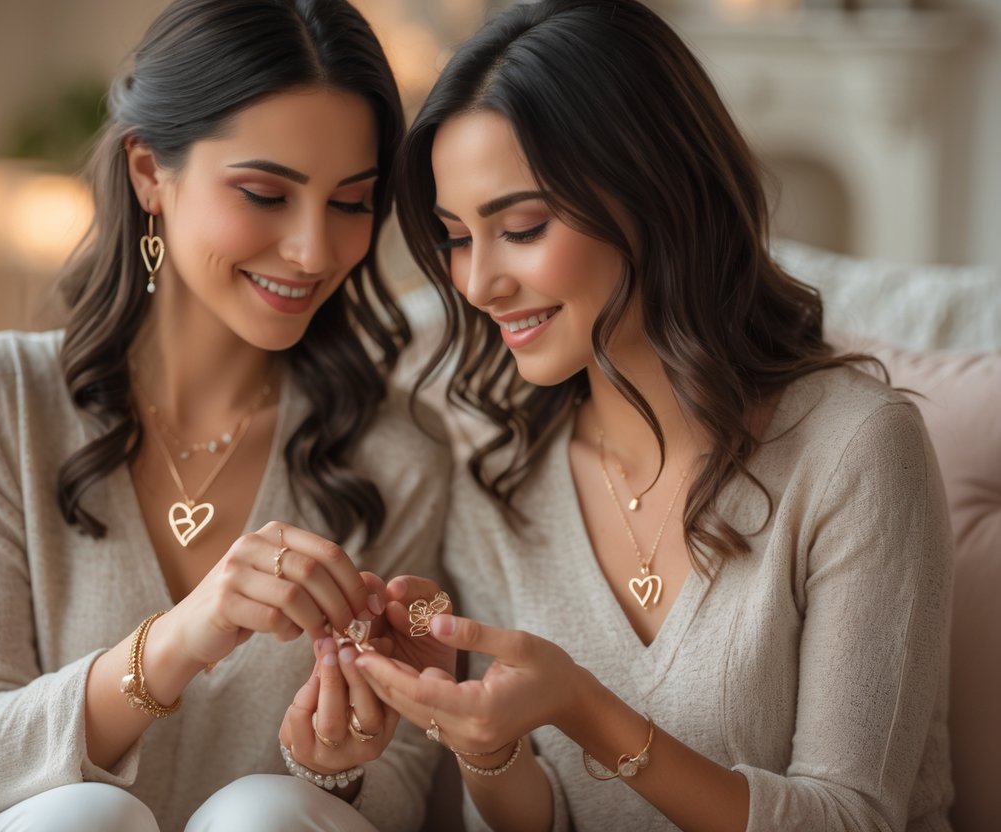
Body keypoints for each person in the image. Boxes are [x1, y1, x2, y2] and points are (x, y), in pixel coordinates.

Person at [352, 1, 955, 830]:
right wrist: (482, 738)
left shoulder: (854, 448)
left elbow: (853, 816)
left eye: (520, 227)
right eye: (457, 236)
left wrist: (585, 709)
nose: (477, 282)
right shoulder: (497, 464)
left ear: (654, 191)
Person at [0, 1, 451, 830]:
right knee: (85, 818)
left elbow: (405, 782)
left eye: (350, 202)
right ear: (147, 173)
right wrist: (181, 638)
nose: (314, 250)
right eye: (265, 193)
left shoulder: (397, 450)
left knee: (264, 814)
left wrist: (332, 771)